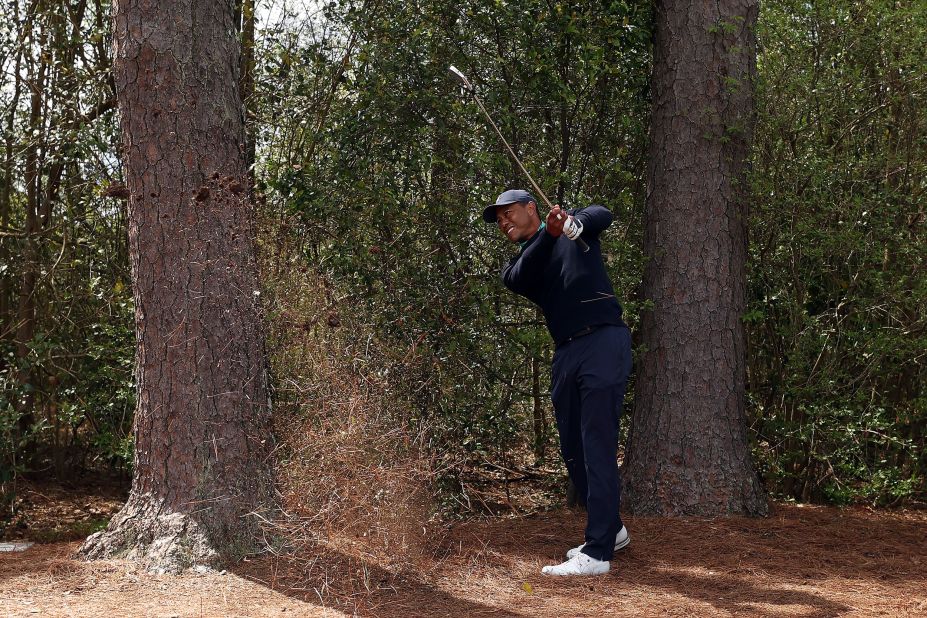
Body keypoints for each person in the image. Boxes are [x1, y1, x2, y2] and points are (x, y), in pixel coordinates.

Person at [484, 189, 633, 576]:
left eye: (508, 213)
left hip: (603, 339)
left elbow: (603, 210)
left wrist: (574, 223)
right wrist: (549, 234)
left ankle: (599, 553)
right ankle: (612, 530)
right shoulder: (524, 264)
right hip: (566, 352)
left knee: (596, 441)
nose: (503, 222)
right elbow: (519, 277)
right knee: (572, 448)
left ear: (530, 207)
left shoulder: (575, 232)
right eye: (498, 219)